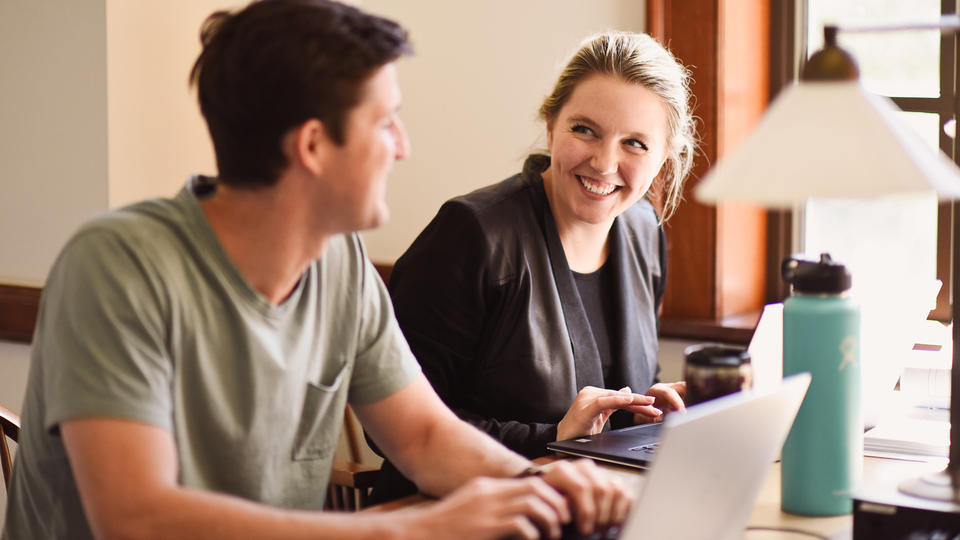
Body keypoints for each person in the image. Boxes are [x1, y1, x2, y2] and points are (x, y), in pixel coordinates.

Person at [0, 2, 634, 539]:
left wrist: (541, 484)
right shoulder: (116, 266)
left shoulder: (339, 261)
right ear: (311, 147)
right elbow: (135, 516)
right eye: (385, 122)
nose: (403, 145)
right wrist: (410, 529)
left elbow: (421, 435)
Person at [373, 31, 697, 502]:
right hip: (460, 511)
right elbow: (396, 429)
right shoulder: (471, 233)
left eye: (635, 144)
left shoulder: (645, 228)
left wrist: (646, 408)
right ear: (551, 126)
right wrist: (554, 436)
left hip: (591, 504)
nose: (605, 163)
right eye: (584, 129)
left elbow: (607, 404)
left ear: (664, 157)